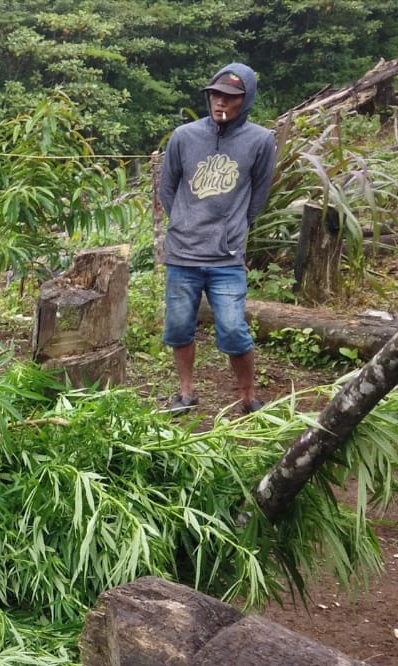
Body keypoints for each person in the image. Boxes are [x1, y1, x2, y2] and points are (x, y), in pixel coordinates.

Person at [159, 63, 276, 416]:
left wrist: (232, 230)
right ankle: (185, 393)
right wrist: (184, 222)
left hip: (226, 258)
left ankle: (248, 398)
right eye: (215, 94)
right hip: (183, 255)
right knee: (179, 327)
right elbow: (167, 188)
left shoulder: (260, 141)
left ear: (246, 100)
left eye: (230, 97)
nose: (220, 102)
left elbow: (258, 196)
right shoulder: (184, 136)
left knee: (233, 329)